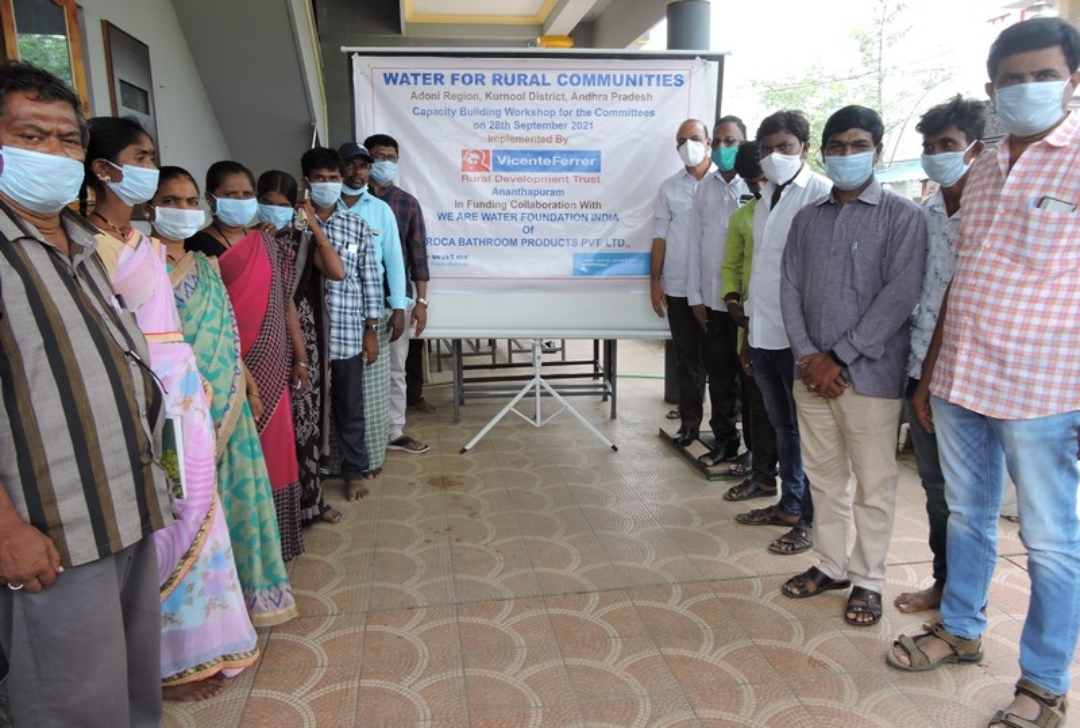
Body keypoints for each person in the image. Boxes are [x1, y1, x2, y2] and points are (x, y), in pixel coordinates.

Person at [890, 18, 1080, 728]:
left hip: (1046, 389)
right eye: (1011, 79)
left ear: (1074, 81)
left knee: (1052, 541)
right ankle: (962, 629)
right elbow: (963, 280)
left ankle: (1044, 684)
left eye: (1043, 75)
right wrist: (930, 373)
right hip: (963, 379)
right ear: (991, 89)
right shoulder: (988, 167)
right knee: (967, 516)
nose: (1026, 89)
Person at [0, 61, 172, 728]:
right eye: (30, 136)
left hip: (125, 508)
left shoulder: (77, 243)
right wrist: (8, 529)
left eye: (67, 140)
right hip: (51, 533)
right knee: (71, 703)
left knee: (130, 692)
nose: (53, 153)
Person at [82, 117, 258, 697]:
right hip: (142, 391)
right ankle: (161, 660)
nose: (148, 167)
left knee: (200, 513)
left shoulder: (137, 239)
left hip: (184, 392)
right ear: (103, 167)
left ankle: (205, 647)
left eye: (152, 155)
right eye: (140, 156)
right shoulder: (82, 240)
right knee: (167, 517)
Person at [778, 106, 926, 627]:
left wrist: (837, 357)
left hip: (870, 377)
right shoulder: (807, 218)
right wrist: (807, 356)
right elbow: (790, 289)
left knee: (873, 484)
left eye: (856, 145)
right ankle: (831, 565)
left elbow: (900, 295)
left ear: (877, 151)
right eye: (836, 147)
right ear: (823, 153)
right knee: (824, 479)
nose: (845, 155)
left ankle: (868, 580)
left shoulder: (904, 217)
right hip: (811, 376)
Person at [152, 166, 299, 627]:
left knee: (240, 503)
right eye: (171, 201)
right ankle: (200, 616)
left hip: (231, 399)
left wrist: (248, 383)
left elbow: (229, 330)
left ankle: (247, 597)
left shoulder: (206, 265)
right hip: (178, 410)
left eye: (188, 201)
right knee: (192, 511)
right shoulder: (141, 263)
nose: (182, 209)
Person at [188, 161, 309, 562]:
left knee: (277, 449)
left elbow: (284, 303)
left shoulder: (267, 245)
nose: (240, 202)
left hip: (274, 361)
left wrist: (300, 356)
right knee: (237, 458)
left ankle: (279, 543)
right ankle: (243, 552)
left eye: (246, 195)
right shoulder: (197, 247)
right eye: (230, 194)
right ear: (211, 198)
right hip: (228, 367)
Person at [893, 96, 986, 615]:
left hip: (975, 372)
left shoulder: (992, 209)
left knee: (972, 499)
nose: (936, 155)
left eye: (947, 145)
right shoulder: (925, 211)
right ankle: (945, 584)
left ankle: (967, 602)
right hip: (918, 368)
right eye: (929, 147)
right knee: (936, 489)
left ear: (974, 149)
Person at [735, 111, 831, 555]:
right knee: (782, 427)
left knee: (809, 432)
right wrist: (749, 335)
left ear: (805, 149)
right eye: (768, 148)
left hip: (802, 339)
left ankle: (810, 520)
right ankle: (789, 504)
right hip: (764, 330)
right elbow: (761, 270)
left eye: (785, 147)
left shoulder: (822, 194)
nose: (775, 156)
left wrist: (816, 347)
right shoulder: (764, 196)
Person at [256, 170, 346, 526]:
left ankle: (312, 501)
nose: (273, 211)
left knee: (303, 422)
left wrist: (311, 223)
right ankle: (275, 508)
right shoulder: (245, 240)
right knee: (268, 423)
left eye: (282, 206)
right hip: (257, 339)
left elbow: (337, 272)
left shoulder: (304, 240)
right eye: (266, 203)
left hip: (301, 341)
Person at [338, 142, 426, 473]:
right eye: (356, 164)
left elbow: (397, 258)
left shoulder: (385, 208)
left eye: (366, 165)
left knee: (387, 373)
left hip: (381, 306)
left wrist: (403, 305)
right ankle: (345, 447)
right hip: (339, 309)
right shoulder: (324, 207)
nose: (362, 170)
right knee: (345, 377)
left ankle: (388, 434)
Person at [302, 146, 383, 502]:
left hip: (348, 336)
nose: (327, 184)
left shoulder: (357, 225)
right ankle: (310, 479)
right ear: (307, 181)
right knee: (308, 413)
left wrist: (371, 330)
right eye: (319, 179)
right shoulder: (293, 223)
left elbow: (370, 280)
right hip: (305, 341)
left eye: (332, 178)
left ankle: (353, 471)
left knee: (350, 410)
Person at [719, 142, 781, 514]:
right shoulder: (746, 217)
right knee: (757, 404)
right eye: (751, 181)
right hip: (751, 324)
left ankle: (794, 491)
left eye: (761, 178)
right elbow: (732, 266)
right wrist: (730, 299)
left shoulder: (804, 205)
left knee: (789, 416)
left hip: (792, 332)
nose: (759, 186)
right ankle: (761, 472)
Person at [686, 116, 749, 467]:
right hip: (711, 300)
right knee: (720, 375)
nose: (726, 148)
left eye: (733, 141)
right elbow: (696, 245)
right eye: (720, 142)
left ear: (744, 143)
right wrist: (695, 296)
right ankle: (725, 440)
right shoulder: (704, 188)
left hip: (744, 304)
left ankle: (756, 450)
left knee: (749, 381)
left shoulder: (756, 185)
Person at [651, 118, 714, 447]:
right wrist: (655, 282)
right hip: (676, 286)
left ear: (709, 143)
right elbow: (659, 235)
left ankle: (724, 430)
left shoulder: (728, 184)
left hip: (716, 291)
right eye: (681, 140)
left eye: (694, 138)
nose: (687, 145)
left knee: (720, 361)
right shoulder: (670, 187)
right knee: (686, 358)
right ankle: (690, 423)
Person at [364, 133, 435, 420]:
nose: (385, 162)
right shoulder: (351, 200)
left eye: (391, 158)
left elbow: (418, 256)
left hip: (396, 300)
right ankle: (367, 429)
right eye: (378, 157)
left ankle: (394, 428)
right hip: (357, 300)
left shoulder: (407, 203)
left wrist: (421, 302)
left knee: (396, 369)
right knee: (361, 368)